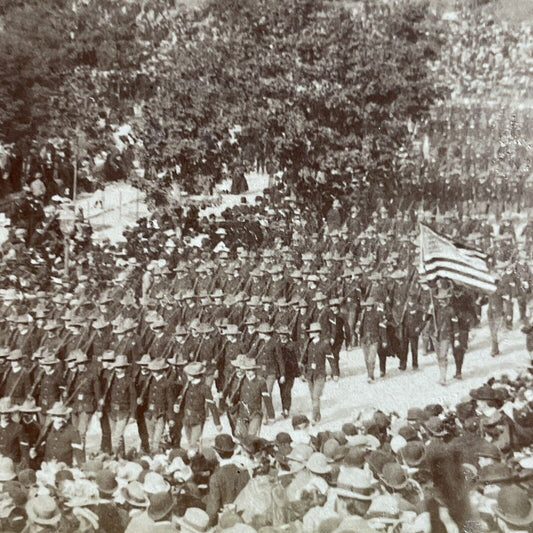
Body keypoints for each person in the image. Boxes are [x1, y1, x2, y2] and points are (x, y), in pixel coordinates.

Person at [205, 434, 250, 525]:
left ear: (217, 454)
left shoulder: (216, 477)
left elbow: (213, 507)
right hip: (244, 519)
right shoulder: (243, 472)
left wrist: (207, 525)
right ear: (233, 451)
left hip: (226, 521)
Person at [179, 362, 221, 451]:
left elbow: (212, 405)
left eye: (189, 375)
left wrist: (217, 423)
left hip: (198, 419)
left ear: (193, 376)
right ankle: (196, 456)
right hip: (187, 419)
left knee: (194, 443)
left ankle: (196, 460)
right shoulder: (187, 385)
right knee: (190, 441)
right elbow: (181, 397)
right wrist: (176, 405)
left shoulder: (204, 388)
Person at [229, 357, 274, 439]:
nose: (249, 372)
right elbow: (235, 395)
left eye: (252, 370)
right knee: (240, 435)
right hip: (242, 413)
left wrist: (271, 415)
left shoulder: (261, 382)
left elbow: (267, 398)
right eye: (247, 370)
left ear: (255, 370)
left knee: (251, 436)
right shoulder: (241, 380)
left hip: (255, 413)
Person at [31, 401, 84, 467]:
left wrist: (81, 467)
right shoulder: (46, 430)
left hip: (64, 466)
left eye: (62, 416)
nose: (59, 418)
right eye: (56, 416)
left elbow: (78, 451)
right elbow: (40, 448)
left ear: (66, 416)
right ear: (52, 417)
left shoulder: (72, 430)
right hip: (47, 466)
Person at [299, 322, 334, 423]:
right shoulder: (309, 344)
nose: (310, 334)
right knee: (313, 397)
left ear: (317, 333)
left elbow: (331, 358)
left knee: (315, 396)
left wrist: (334, 373)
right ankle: (317, 415)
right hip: (310, 374)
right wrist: (302, 372)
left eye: (312, 332)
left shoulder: (324, 344)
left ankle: (314, 418)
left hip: (320, 374)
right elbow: (305, 358)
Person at [104, 355, 136, 457]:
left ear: (125, 368)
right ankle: (121, 456)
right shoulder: (110, 379)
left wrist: (132, 415)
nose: (118, 369)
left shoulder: (129, 381)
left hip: (123, 411)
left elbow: (133, 398)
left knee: (117, 435)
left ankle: (114, 455)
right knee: (116, 434)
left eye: (121, 367)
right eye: (117, 367)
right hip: (112, 411)